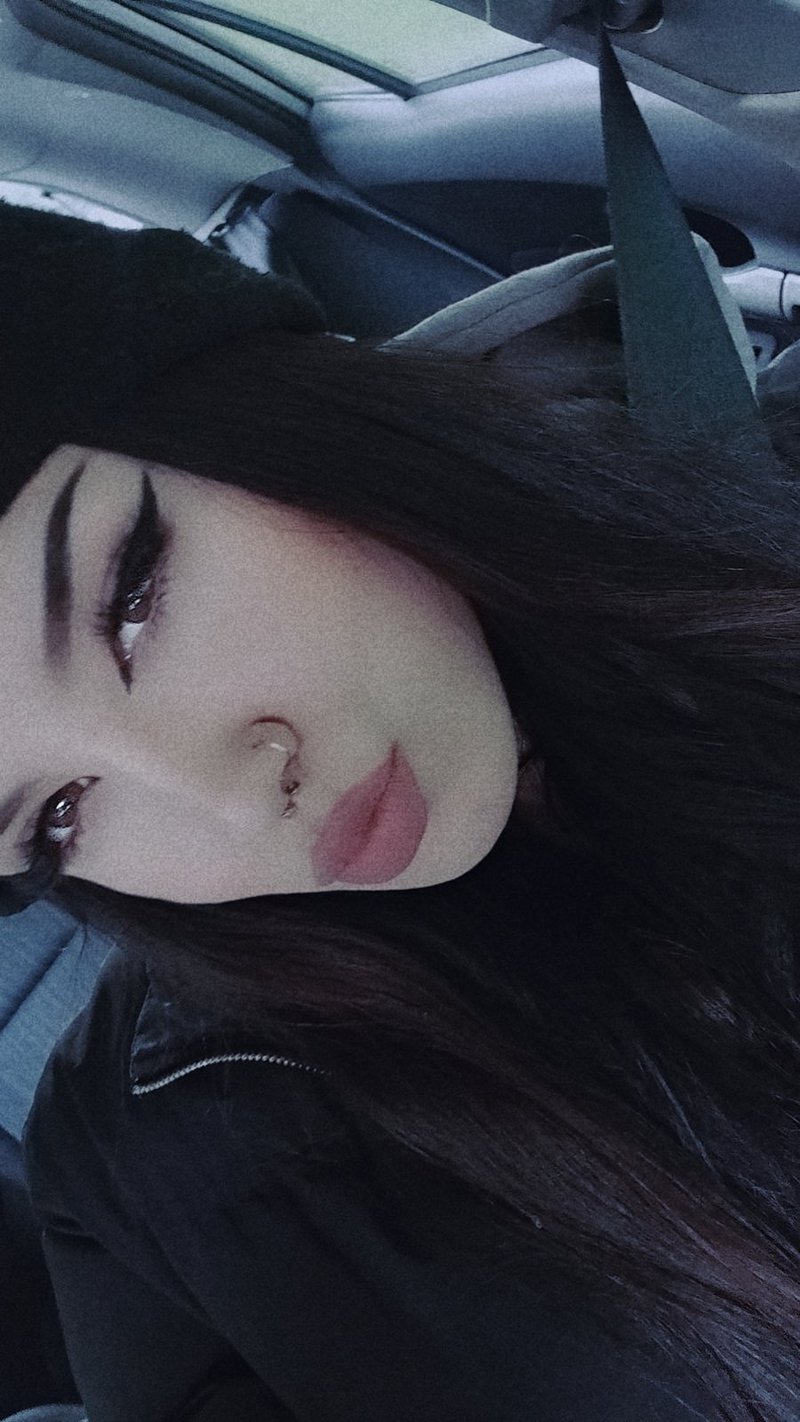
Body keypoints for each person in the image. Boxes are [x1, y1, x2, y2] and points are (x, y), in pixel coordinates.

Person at [2, 27, 800, 1422]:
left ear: (263, 412)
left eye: (130, 599)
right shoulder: (145, 1167)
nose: (233, 797)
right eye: (55, 818)